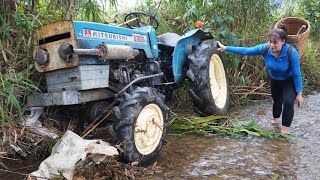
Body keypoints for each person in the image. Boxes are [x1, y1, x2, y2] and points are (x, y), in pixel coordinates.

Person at [217, 25, 303, 134]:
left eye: (275, 42)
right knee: (277, 100)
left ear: (283, 41)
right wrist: (225, 48)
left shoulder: (292, 52)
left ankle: (284, 130)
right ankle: (276, 120)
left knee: (288, 101)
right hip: (275, 79)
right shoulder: (265, 49)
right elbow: (246, 51)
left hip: (288, 80)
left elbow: (296, 74)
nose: (271, 45)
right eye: (270, 42)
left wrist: (299, 94)